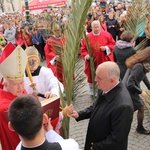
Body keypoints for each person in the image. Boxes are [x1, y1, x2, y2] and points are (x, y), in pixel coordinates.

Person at [71, 61, 134, 150]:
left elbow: (117, 138)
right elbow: (96, 106)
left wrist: (96, 147)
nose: (95, 80)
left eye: (99, 78)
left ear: (112, 80)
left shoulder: (123, 106)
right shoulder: (105, 88)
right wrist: (80, 114)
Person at [8, 94, 80, 150]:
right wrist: (50, 133)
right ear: (45, 118)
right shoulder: (71, 146)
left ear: (11, 126)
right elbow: (63, 145)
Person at [24, 46, 64, 134]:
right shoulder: (21, 76)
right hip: (30, 113)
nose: (31, 64)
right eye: (28, 61)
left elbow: (56, 85)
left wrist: (52, 93)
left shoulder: (46, 72)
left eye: (33, 61)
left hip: (46, 111)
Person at [0, 42, 28, 150]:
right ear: (5, 84)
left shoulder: (17, 91)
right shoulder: (6, 107)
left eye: (22, 82)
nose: (21, 87)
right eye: (16, 84)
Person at [80, 20, 115, 95]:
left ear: (100, 26)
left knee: (104, 74)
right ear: (91, 28)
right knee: (92, 74)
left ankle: (105, 89)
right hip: (92, 61)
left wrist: (106, 48)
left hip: (103, 59)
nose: (96, 29)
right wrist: (86, 55)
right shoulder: (87, 37)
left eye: (98, 27)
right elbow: (83, 49)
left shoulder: (107, 35)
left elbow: (113, 44)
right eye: (94, 27)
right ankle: (92, 90)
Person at [125, 47, 150, 135]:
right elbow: (129, 83)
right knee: (141, 107)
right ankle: (140, 128)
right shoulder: (139, 66)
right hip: (129, 89)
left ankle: (120, 119)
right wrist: (141, 91)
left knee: (135, 107)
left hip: (131, 89)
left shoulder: (142, 64)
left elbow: (143, 76)